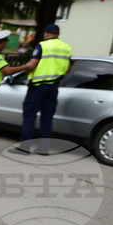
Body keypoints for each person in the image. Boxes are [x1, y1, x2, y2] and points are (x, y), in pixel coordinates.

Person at [13, 23, 72, 154]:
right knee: (47, 117)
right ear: (58, 34)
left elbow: (33, 63)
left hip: (38, 86)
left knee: (30, 115)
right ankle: (43, 148)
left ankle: (24, 147)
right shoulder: (66, 48)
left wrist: (23, 69)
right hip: (54, 86)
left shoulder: (43, 45)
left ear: (46, 33)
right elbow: (68, 68)